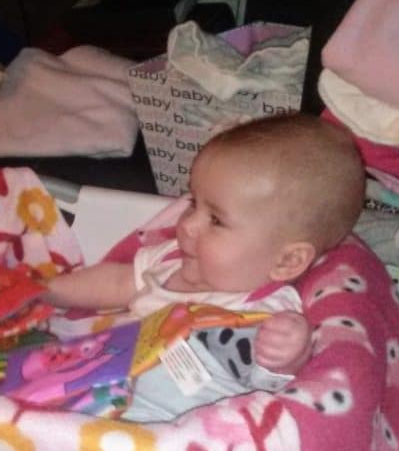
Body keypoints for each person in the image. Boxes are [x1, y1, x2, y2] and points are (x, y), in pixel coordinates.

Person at [45, 113, 365, 421]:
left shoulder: (268, 311)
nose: (187, 226)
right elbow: (116, 283)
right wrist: (46, 291)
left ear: (286, 261)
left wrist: (289, 357)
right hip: (93, 382)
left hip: (161, 427)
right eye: (193, 204)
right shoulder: (172, 258)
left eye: (215, 220)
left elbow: (276, 387)